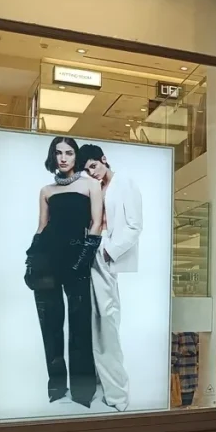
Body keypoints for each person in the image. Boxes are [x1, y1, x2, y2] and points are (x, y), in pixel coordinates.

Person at [25, 137, 103, 408]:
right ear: (53, 156)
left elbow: (96, 225)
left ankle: (82, 390)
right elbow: (41, 226)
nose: (63, 157)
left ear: (75, 156)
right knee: (51, 325)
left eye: (69, 152)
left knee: (80, 325)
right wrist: (31, 258)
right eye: (58, 153)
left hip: (76, 259)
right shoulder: (46, 189)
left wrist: (85, 258)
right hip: (47, 259)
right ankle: (57, 386)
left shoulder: (92, 185)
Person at [79, 144, 143, 412]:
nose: (91, 172)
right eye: (86, 169)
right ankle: (98, 386)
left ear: (104, 159)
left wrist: (108, 251)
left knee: (107, 320)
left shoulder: (124, 182)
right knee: (88, 320)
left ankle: (117, 394)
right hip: (88, 251)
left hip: (105, 253)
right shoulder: (94, 187)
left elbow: (135, 225)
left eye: (93, 166)